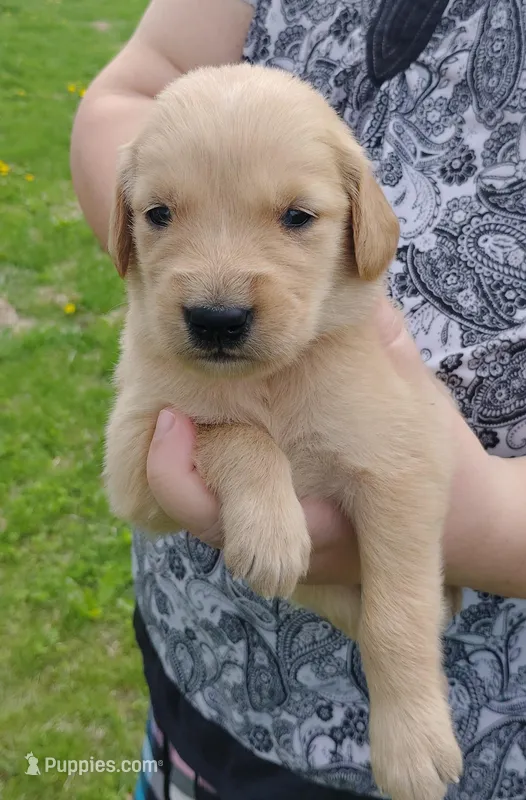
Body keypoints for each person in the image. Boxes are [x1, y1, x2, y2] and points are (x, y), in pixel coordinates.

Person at [70, 1, 526, 798]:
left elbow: (402, 477)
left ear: (365, 223)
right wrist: (238, 452)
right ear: (126, 227)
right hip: (209, 688)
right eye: (161, 216)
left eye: (294, 218)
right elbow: (133, 487)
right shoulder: (164, 338)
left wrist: (408, 679)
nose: (215, 291)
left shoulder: (354, 344)